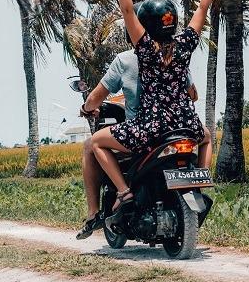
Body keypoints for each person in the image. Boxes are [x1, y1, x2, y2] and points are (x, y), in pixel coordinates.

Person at [83, 0, 227, 224]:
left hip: (152, 128)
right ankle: (199, 180)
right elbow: (202, 9)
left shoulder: (145, 51)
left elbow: (127, 11)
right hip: (186, 123)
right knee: (206, 136)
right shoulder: (184, 45)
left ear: (144, 27)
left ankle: (123, 192)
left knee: (96, 142)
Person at [76, 43, 199, 240]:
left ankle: (116, 197)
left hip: (144, 130)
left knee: (92, 143)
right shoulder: (177, 53)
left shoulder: (125, 59)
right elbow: (193, 95)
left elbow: (95, 98)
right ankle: (199, 180)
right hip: (179, 126)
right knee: (206, 137)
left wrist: (86, 108)